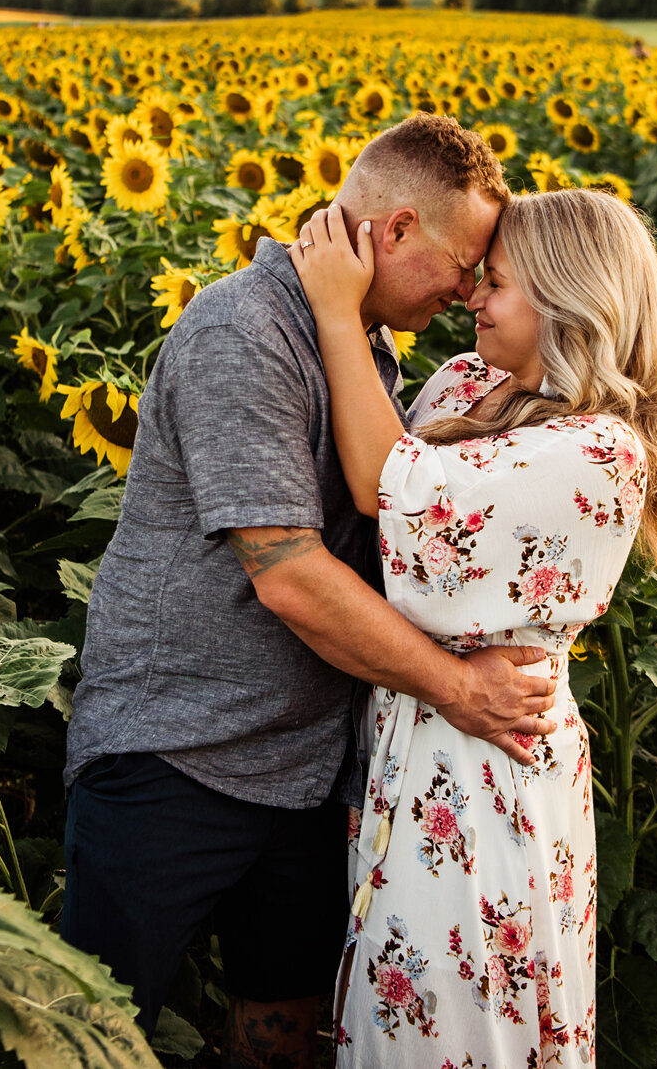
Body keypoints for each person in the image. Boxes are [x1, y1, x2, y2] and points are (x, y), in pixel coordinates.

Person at [61, 113, 562, 1067]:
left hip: (302, 769)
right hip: (177, 753)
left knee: (284, 1032)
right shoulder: (240, 329)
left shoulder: (361, 341)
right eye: (462, 264)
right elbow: (288, 574)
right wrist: (460, 689)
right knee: (90, 1041)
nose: (467, 291)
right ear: (396, 228)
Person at [289, 187, 657, 1068]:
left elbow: (386, 486)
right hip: (417, 742)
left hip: (485, 772)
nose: (474, 295)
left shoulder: (600, 450)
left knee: (459, 1017)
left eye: (497, 281)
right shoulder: (474, 383)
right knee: (404, 1004)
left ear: (566, 298)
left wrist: (332, 306)